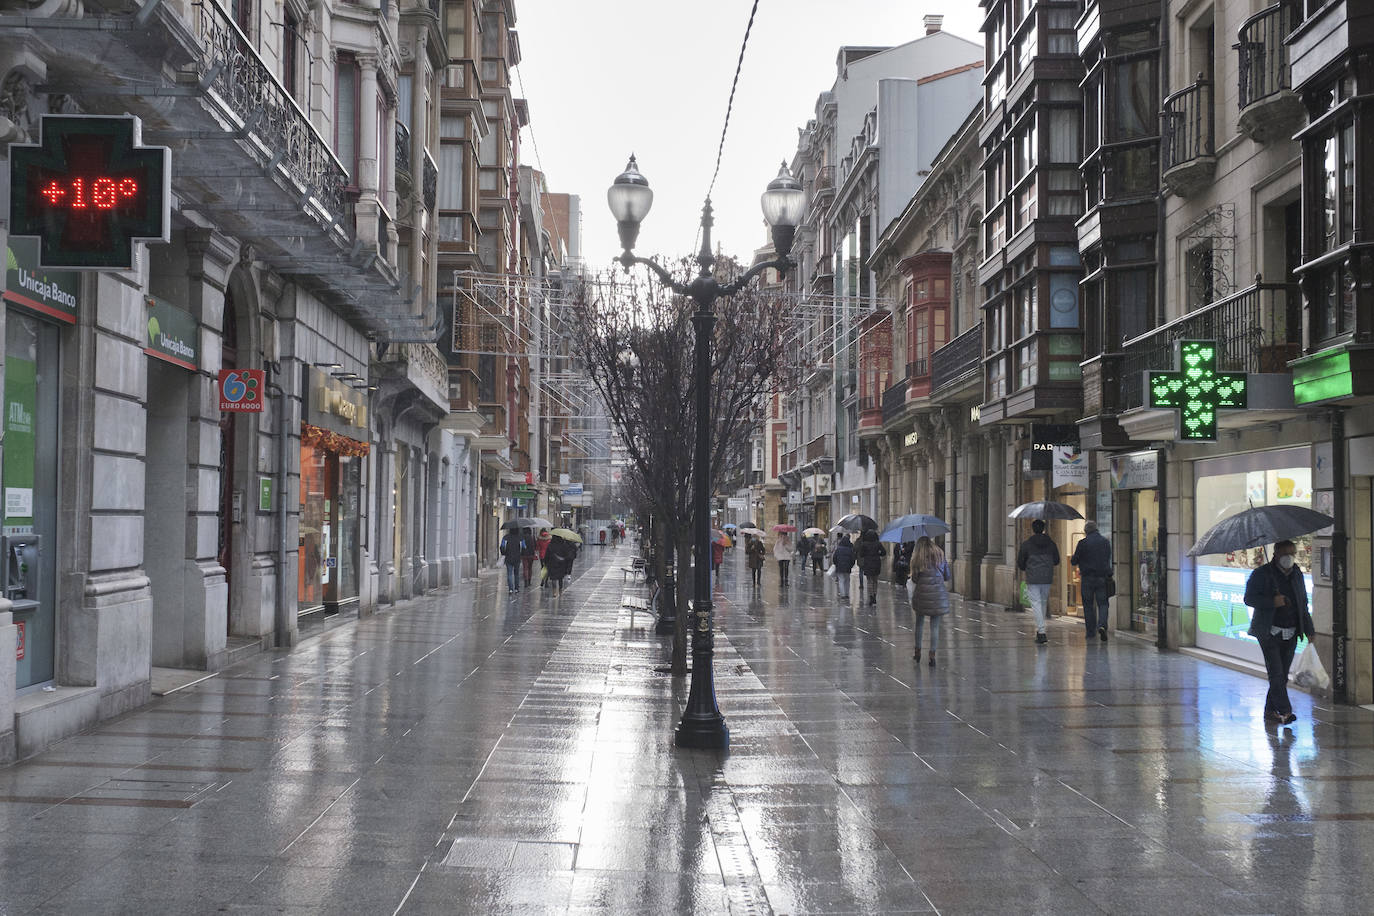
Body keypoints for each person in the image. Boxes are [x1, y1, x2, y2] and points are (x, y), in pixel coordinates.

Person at [1244, 540, 1314, 725]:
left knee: (1281, 675)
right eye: (1285, 554)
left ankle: (1270, 710)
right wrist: (1271, 602)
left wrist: (1309, 630)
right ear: (1276, 555)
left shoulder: (1297, 574)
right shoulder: (1262, 574)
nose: (1289, 558)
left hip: (1291, 632)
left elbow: (1303, 603)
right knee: (1276, 673)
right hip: (1269, 632)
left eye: (1292, 553)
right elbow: (1249, 598)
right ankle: (1285, 711)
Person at [1016, 519, 1060, 644]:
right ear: (1043, 529)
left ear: (1033, 529)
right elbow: (1056, 560)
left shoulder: (1027, 544)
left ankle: (1041, 631)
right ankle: (1040, 629)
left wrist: (1027, 568)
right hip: (1047, 578)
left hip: (1033, 578)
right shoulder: (1051, 544)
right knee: (1043, 602)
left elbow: (1020, 562)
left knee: (1035, 604)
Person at [909, 536, 951, 667]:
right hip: (938, 595)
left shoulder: (917, 558)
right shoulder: (940, 555)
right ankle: (932, 655)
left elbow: (914, 579)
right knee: (935, 626)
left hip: (922, 595)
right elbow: (947, 576)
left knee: (919, 624)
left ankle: (917, 652)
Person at [1070, 521, 1113, 642]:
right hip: (1102, 578)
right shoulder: (1105, 542)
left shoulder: (1082, 543)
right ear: (1096, 529)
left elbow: (1074, 561)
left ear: (1086, 531)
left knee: (1088, 605)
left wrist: (1077, 559)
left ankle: (1090, 632)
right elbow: (1107, 558)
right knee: (1103, 604)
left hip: (1087, 578)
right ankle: (1102, 625)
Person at [857, 529, 886, 605]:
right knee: (875, 580)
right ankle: (875, 595)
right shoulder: (878, 544)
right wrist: (878, 554)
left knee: (869, 580)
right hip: (876, 563)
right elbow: (884, 552)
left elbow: (861, 554)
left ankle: (871, 596)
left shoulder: (864, 544)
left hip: (868, 563)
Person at [499, 527, 525, 594]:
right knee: (516, 574)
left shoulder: (505, 537)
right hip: (517, 558)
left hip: (508, 558)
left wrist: (504, 553)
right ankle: (516, 588)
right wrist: (521, 554)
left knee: (509, 574)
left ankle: (510, 589)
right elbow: (524, 547)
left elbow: (502, 546)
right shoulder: (521, 538)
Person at [831, 534, 856, 600]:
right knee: (847, 580)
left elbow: (834, 558)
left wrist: (836, 564)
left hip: (839, 567)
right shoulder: (850, 549)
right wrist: (851, 566)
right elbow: (853, 559)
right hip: (848, 568)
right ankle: (847, 594)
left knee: (841, 580)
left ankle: (843, 594)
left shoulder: (838, 549)